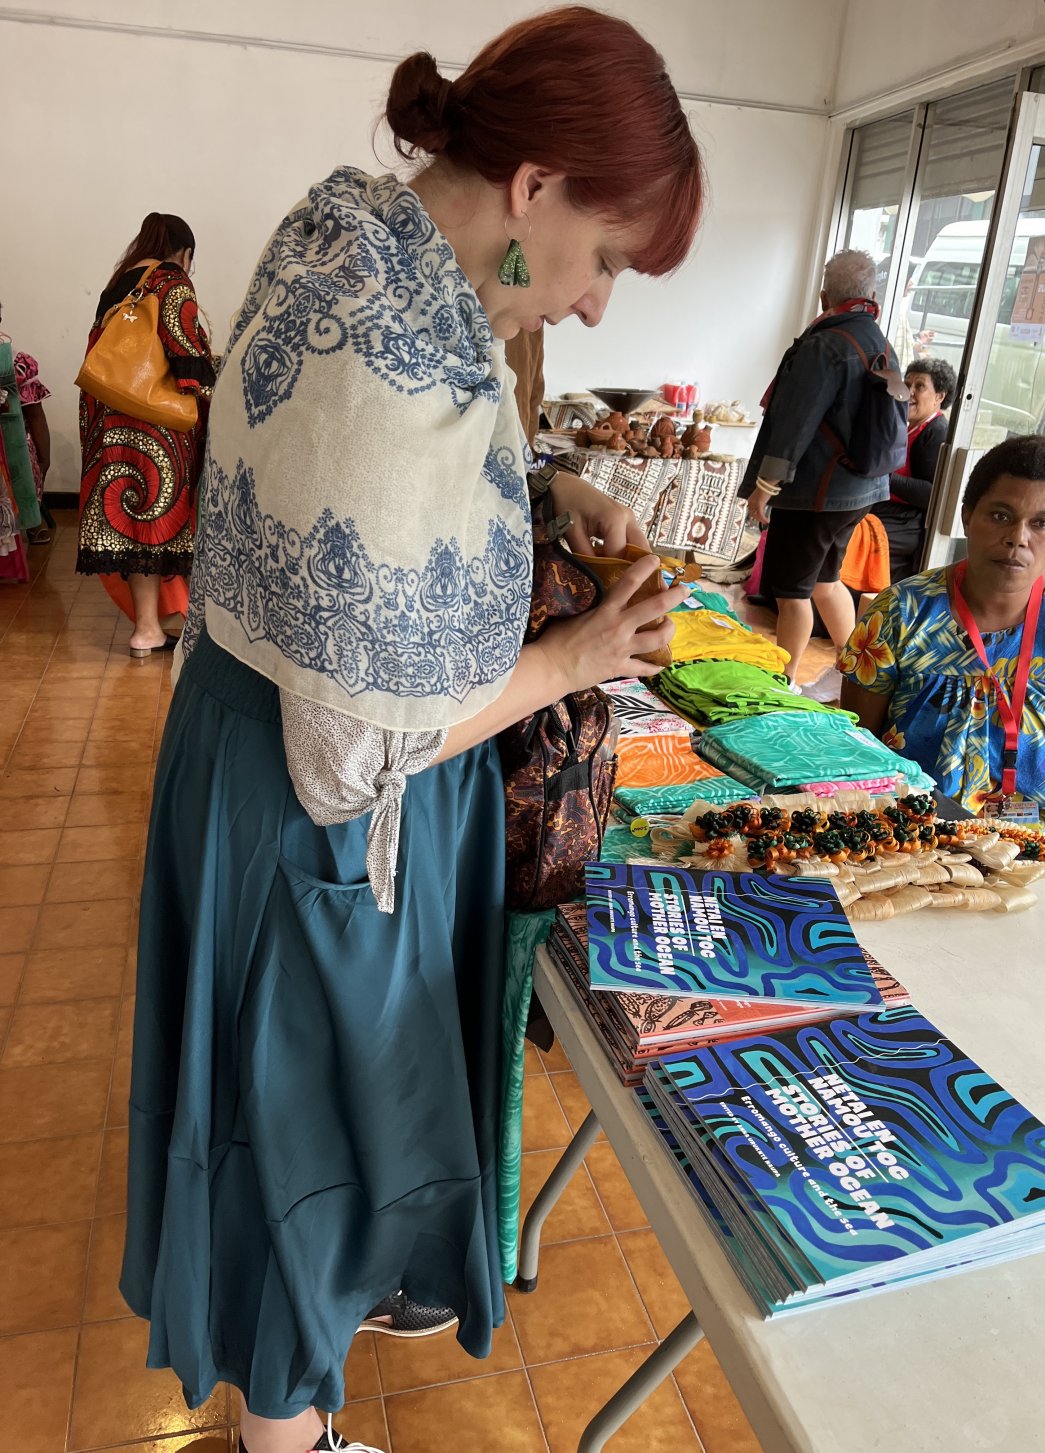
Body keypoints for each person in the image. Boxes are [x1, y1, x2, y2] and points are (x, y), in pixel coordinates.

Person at [122, 10, 703, 1453]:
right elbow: (349, 752)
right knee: (294, 1153)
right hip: (310, 802)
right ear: (534, 187)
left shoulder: (365, 236)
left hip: (263, 757)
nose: (590, 307)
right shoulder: (393, 367)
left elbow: (413, 471)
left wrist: (550, 489)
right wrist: (573, 654)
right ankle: (285, 1444)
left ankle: (301, 1433)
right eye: (607, 260)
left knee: (299, 1137)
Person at [839, 435, 1045, 873]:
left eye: (1042, 523)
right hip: (908, 853)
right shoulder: (901, 612)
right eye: (1001, 515)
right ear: (967, 516)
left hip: (1039, 862)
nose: (1018, 538)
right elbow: (861, 756)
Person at [740, 249, 902, 684]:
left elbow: (793, 424)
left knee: (792, 595)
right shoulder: (880, 343)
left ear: (824, 295)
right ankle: (853, 673)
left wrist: (765, 486)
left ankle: (781, 684)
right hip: (862, 490)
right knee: (828, 584)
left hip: (815, 493)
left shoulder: (825, 344)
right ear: (870, 295)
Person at [76, 213, 216, 656]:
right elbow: (187, 354)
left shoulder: (119, 285)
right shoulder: (171, 281)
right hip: (158, 425)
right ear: (186, 252)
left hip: (111, 423)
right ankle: (163, 626)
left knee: (133, 523)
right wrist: (214, 400)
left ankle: (148, 627)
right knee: (161, 520)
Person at [872, 356, 956, 584]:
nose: (909, 392)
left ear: (940, 396)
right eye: (907, 385)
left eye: (919, 386)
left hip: (909, 523)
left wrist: (883, 475)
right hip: (889, 510)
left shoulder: (936, 432)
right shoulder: (908, 426)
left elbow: (931, 494)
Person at [0, 301, 52, 554]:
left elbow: (35, 414)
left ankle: (31, 517)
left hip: (11, 438)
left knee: (21, 452)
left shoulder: (14, 362)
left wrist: (45, 459)